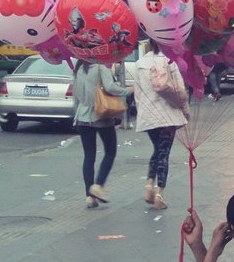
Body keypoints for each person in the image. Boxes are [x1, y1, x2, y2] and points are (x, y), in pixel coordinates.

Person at [133, 40, 189, 209]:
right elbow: (180, 91)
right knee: (164, 153)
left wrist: (142, 113)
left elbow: (138, 94)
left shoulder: (139, 64)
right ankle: (159, 194)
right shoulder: (169, 62)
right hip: (168, 116)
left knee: (157, 150)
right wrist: (185, 111)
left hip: (149, 116)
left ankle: (149, 186)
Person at [73, 60, 125, 208]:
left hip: (82, 116)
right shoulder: (101, 67)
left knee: (89, 156)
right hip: (101, 115)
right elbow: (110, 87)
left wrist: (76, 116)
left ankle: (89, 197)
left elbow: (75, 96)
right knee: (110, 151)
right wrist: (127, 90)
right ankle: (98, 186)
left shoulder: (78, 68)